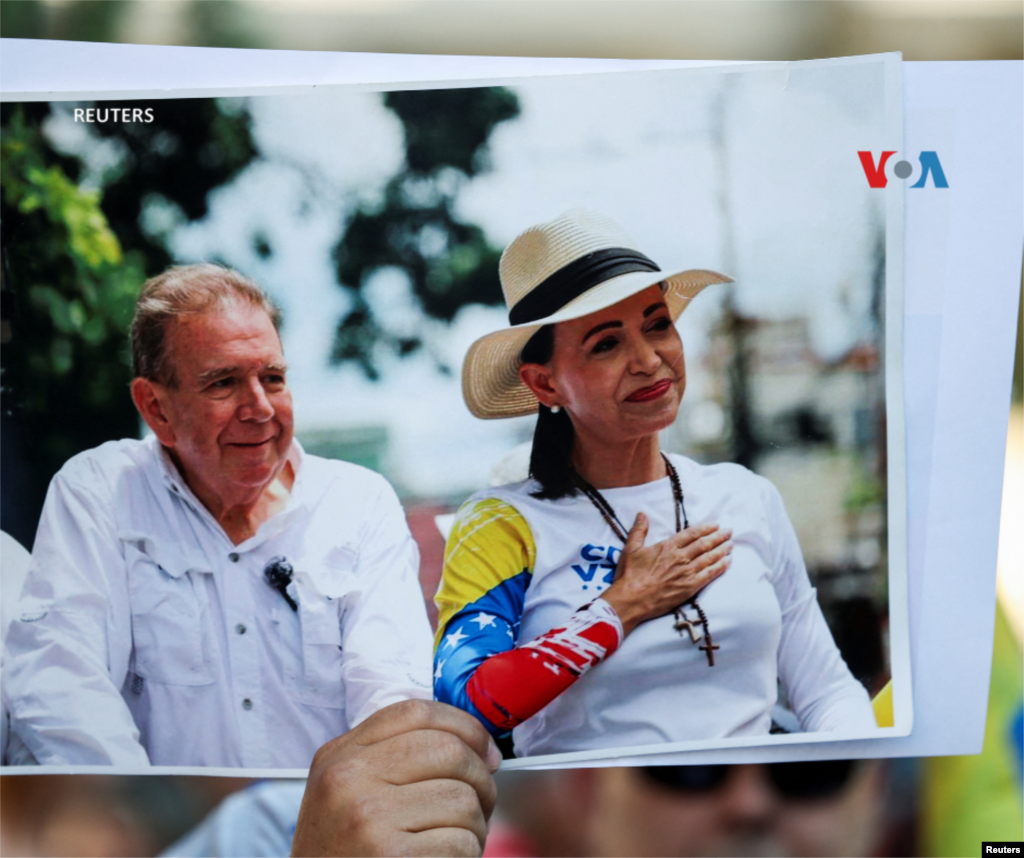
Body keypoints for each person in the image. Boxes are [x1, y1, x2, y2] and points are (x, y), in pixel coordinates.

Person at [433, 209, 876, 757]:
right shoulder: (502, 524)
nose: (648, 360)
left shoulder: (746, 498)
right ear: (544, 383)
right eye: (606, 344)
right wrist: (621, 606)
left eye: (658, 324)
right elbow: (462, 704)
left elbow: (827, 692)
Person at [2, 264, 433, 768]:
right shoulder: (99, 491)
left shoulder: (359, 502)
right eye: (224, 383)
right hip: (161, 837)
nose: (259, 408)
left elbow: (394, 694)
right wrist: (147, 832)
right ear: (156, 408)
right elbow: (64, 686)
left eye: (272, 378)